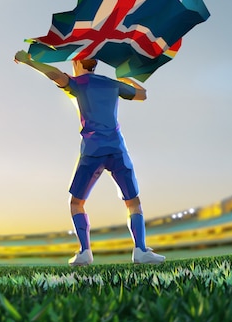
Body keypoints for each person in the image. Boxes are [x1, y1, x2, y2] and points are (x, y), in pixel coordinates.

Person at [14, 50, 166, 266]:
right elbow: (142, 94)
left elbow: (56, 75)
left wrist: (30, 61)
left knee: (76, 203)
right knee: (133, 203)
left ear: (77, 62)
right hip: (117, 149)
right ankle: (140, 250)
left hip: (92, 151)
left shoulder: (79, 83)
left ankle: (85, 252)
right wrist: (123, 76)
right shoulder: (112, 84)